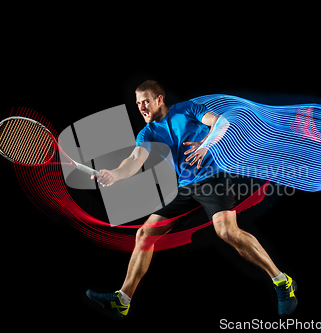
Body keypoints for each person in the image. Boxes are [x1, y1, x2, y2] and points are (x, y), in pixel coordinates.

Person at [85, 80, 297, 318]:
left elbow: (221, 122)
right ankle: (123, 300)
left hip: (214, 177)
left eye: (145, 101)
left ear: (159, 100)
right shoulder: (149, 131)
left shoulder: (186, 109)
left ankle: (282, 281)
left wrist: (206, 145)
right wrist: (114, 175)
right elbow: (134, 161)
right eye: (137, 104)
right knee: (145, 234)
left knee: (226, 231)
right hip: (187, 187)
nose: (141, 107)